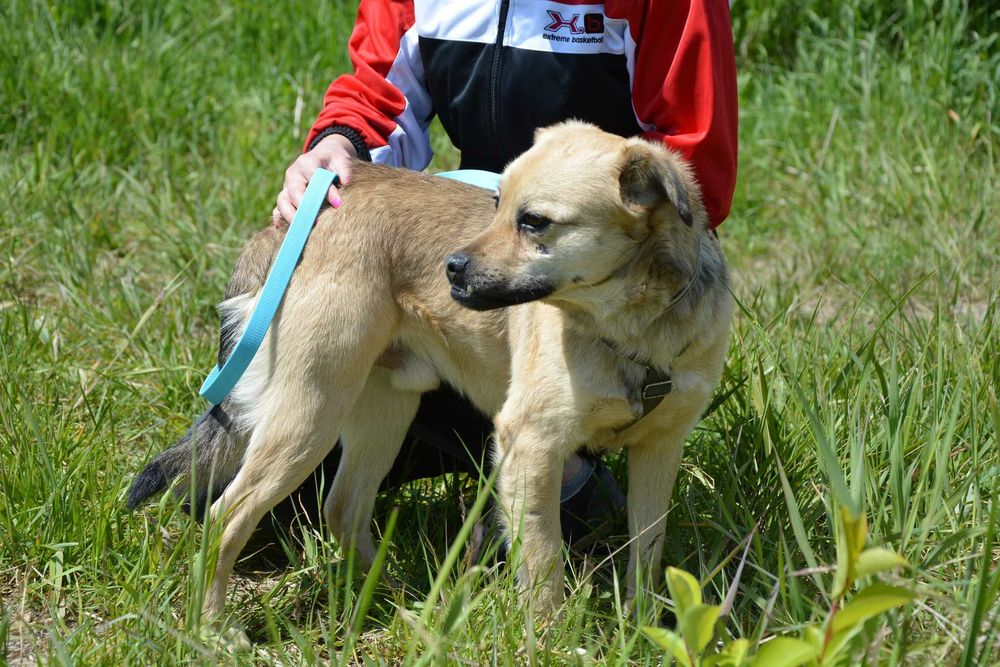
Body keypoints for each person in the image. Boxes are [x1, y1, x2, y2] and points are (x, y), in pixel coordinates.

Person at [268, 0, 738, 550]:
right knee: (266, 501)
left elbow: (691, 170)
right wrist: (338, 144)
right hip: (467, 273)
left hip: (598, 306)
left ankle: (562, 472)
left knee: (583, 521)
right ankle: (522, 466)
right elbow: (379, 91)